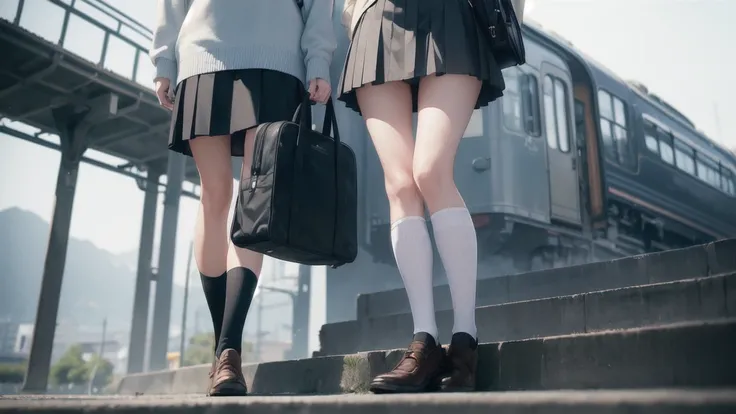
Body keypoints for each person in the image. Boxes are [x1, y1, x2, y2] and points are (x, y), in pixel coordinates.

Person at [150, 0, 336, 397]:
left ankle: (228, 350)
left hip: (277, 58)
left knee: (255, 192)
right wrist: (163, 62)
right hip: (203, 53)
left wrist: (318, 58)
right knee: (215, 195)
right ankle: (225, 350)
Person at [338, 0, 523, 393]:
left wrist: (506, 22)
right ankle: (423, 341)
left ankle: (464, 341)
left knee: (430, 170)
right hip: (378, 19)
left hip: (452, 15)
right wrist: (353, 14)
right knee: (401, 184)